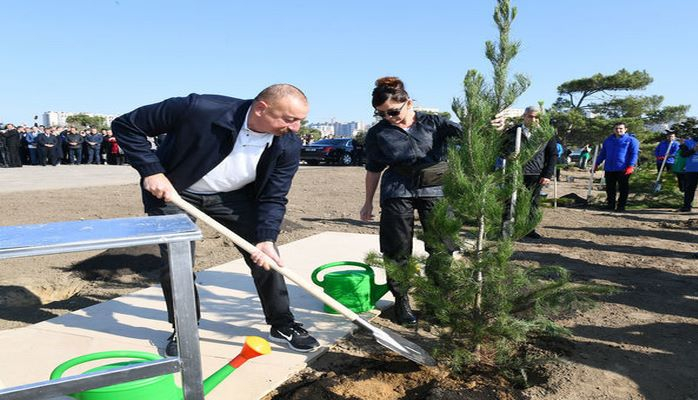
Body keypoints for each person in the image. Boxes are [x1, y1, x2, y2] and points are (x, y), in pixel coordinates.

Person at [112, 85, 320, 356]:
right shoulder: (198, 109)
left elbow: (274, 196)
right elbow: (126, 125)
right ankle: (184, 328)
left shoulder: (287, 144)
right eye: (289, 119)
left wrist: (266, 237)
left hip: (234, 198)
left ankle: (283, 324)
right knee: (178, 265)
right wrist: (152, 171)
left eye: (300, 120)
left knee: (267, 258)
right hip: (176, 192)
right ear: (261, 109)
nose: (295, 127)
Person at [359, 77, 461, 325]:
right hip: (398, 188)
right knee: (396, 248)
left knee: (441, 246)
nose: (389, 118)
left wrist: (492, 124)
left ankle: (436, 298)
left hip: (435, 188)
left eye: (393, 112)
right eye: (381, 114)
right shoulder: (378, 133)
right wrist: (368, 202)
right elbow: (373, 169)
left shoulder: (434, 122)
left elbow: (470, 133)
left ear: (409, 103)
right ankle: (401, 301)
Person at [501, 106, 558, 239]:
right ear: (524, 116)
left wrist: (547, 174)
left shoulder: (546, 133)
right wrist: (508, 155)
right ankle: (506, 229)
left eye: (536, 117)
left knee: (532, 202)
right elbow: (501, 148)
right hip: (514, 173)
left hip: (536, 174)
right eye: (530, 116)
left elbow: (553, 155)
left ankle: (528, 230)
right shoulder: (513, 131)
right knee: (510, 202)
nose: (533, 119)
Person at [593, 122, 640, 212]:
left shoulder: (632, 140)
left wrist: (631, 166)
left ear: (625, 129)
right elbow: (603, 153)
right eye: (616, 128)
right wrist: (596, 163)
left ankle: (621, 206)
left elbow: (634, 154)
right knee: (610, 188)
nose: (618, 130)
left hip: (623, 168)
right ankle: (610, 204)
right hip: (609, 168)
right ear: (613, 129)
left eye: (620, 128)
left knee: (623, 188)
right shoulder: (608, 140)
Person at [679, 135, 697, 212]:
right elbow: (683, 154)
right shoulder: (688, 142)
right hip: (691, 169)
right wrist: (694, 149)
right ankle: (687, 206)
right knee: (689, 189)